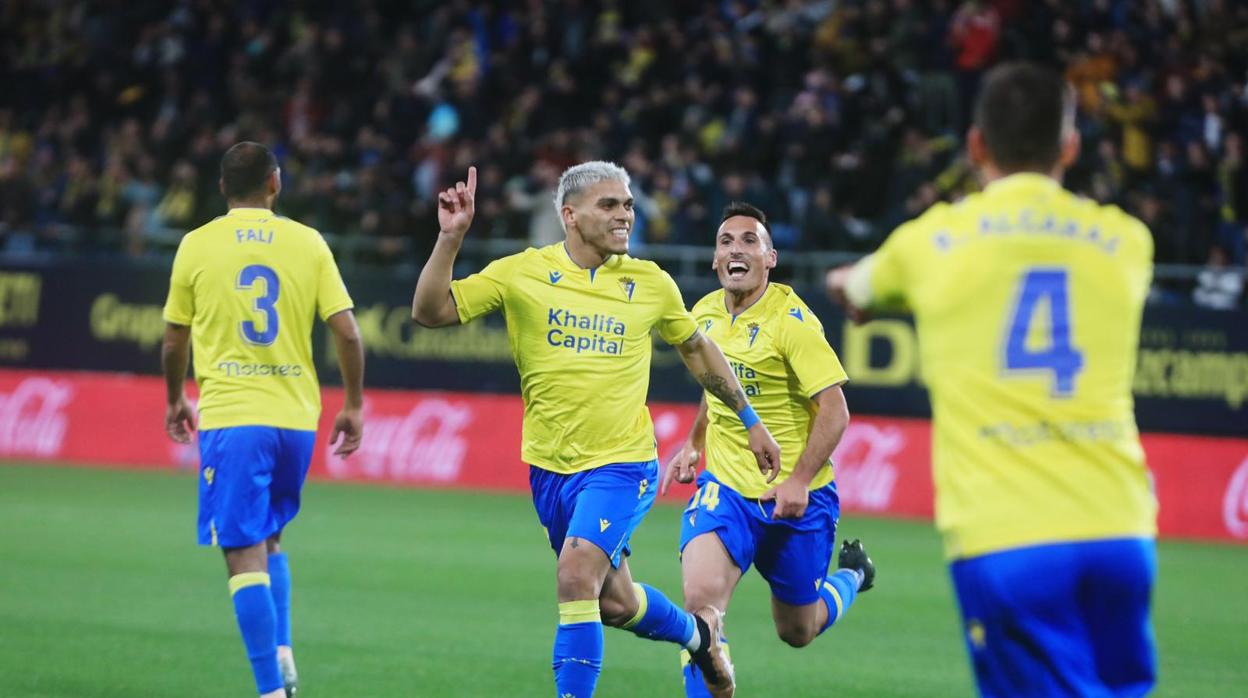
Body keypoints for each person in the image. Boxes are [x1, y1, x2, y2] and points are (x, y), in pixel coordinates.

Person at [827, 63, 1158, 697]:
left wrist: (850, 284)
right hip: (1122, 531)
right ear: (1070, 146)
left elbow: (858, 289)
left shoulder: (932, 242)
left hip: (1007, 537)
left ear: (977, 145)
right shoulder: (1127, 241)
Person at [412, 161, 781, 698]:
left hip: (622, 463)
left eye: (628, 204)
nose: (625, 215)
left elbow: (699, 351)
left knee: (574, 576)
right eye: (609, 205)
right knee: (614, 604)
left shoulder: (650, 282)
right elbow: (430, 311)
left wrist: (750, 421)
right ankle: (700, 635)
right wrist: (450, 239)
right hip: (550, 467)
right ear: (570, 215)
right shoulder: (522, 272)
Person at [161, 141, 366, 698]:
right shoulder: (308, 242)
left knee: (240, 549)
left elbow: (176, 334)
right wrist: (353, 403)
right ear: (275, 183)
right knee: (270, 535)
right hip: (296, 421)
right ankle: (282, 651)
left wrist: (176, 396)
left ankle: (269, 690)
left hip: (234, 416)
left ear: (223, 187)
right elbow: (347, 331)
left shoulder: (197, 244)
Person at [661, 202, 875, 698]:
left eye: (749, 241)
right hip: (728, 490)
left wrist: (798, 478)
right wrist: (696, 442)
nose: (737, 249)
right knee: (699, 608)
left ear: (770, 257)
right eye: (726, 241)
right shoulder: (704, 315)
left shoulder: (793, 320)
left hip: (800, 499)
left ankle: (854, 574)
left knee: (797, 630)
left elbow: (835, 410)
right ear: (716, 260)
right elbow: (714, 383)